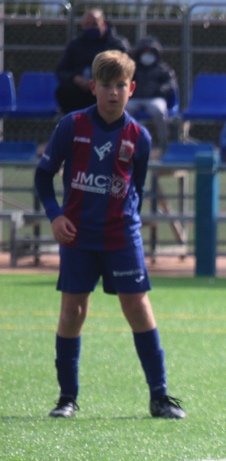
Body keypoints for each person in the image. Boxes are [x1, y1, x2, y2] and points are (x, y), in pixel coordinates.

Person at [35, 50, 185, 419]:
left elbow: (135, 186)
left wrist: (123, 216)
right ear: (93, 88)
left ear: (132, 89)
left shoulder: (140, 137)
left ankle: (160, 397)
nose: (113, 93)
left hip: (121, 236)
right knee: (73, 311)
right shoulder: (71, 126)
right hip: (78, 237)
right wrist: (55, 215)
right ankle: (67, 398)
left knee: (137, 308)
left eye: (120, 85)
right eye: (106, 85)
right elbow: (43, 176)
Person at [54, 9, 130, 114]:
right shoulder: (75, 45)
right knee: (64, 92)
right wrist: (75, 78)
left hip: (106, 87)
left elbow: (124, 70)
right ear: (82, 26)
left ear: (103, 24)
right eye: (87, 24)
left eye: (94, 24)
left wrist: (100, 80)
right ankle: (76, 126)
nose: (90, 27)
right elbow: (61, 71)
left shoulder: (116, 44)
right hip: (80, 89)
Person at [126, 36, 178, 150]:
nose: (147, 55)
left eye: (150, 52)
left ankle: (164, 141)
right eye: (145, 52)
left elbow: (170, 83)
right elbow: (125, 82)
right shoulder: (133, 68)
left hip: (155, 98)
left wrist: (161, 89)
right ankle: (126, 140)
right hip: (135, 98)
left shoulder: (163, 68)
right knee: (125, 110)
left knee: (159, 111)